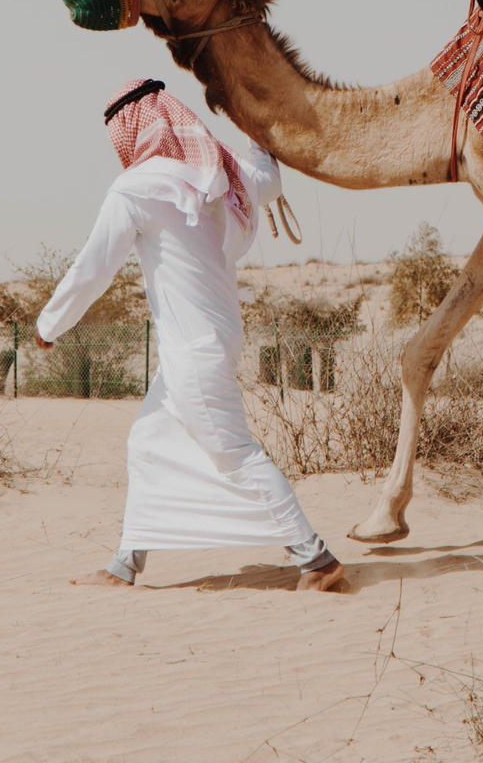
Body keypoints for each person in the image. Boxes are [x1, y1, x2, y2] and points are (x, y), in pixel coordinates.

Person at [38, 78, 345, 593]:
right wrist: (254, 127)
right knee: (149, 440)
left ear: (131, 130)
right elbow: (267, 179)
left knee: (234, 454)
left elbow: (94, 269)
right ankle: (123, 566)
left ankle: (315, 560)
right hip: (209, 343)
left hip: (194, 350)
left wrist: (50, 325)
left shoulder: (136, 188)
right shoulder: (221, 174)